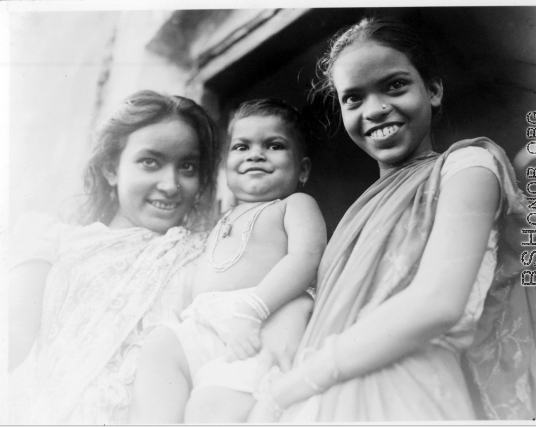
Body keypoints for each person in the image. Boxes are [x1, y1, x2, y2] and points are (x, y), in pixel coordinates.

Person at [248, 16, 536, 422]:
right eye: (353, 98)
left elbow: (437, 302)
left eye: (395, 85)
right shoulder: (355, 214)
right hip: (321, 402)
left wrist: (299, 382)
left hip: (407, 393)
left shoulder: (468, 166)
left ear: (433, 90)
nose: (375, 108)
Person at [8, 91, 311, 424]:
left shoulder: (209, 252)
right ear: (112, 168)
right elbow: (12, 335)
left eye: (187, 167)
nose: (170, 185)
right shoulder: (53, 239)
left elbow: (280, 282)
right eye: (150, 161)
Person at [128, 98, 327, 424]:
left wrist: (254, 308)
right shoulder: (220, 219)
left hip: (262, 319)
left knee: (213, 405)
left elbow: (307, 258)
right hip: (204, 322)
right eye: (241, 146)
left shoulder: (293, 205)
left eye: (274, 145)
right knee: (158, 349)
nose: (256, 154)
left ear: (302, 170)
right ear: (224, 168)